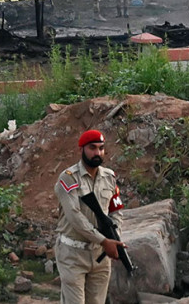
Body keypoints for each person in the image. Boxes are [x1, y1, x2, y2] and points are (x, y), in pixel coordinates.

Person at [54, 130, 125, 304]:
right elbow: (75, 217)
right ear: (82, 149)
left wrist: (114, 235)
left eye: (101, 148)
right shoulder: (68, 178)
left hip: (100, 255)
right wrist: (104, 241)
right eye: (92, 148)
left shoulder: (109, 177)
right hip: (73, 254)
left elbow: (116, 210)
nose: (97, 153)